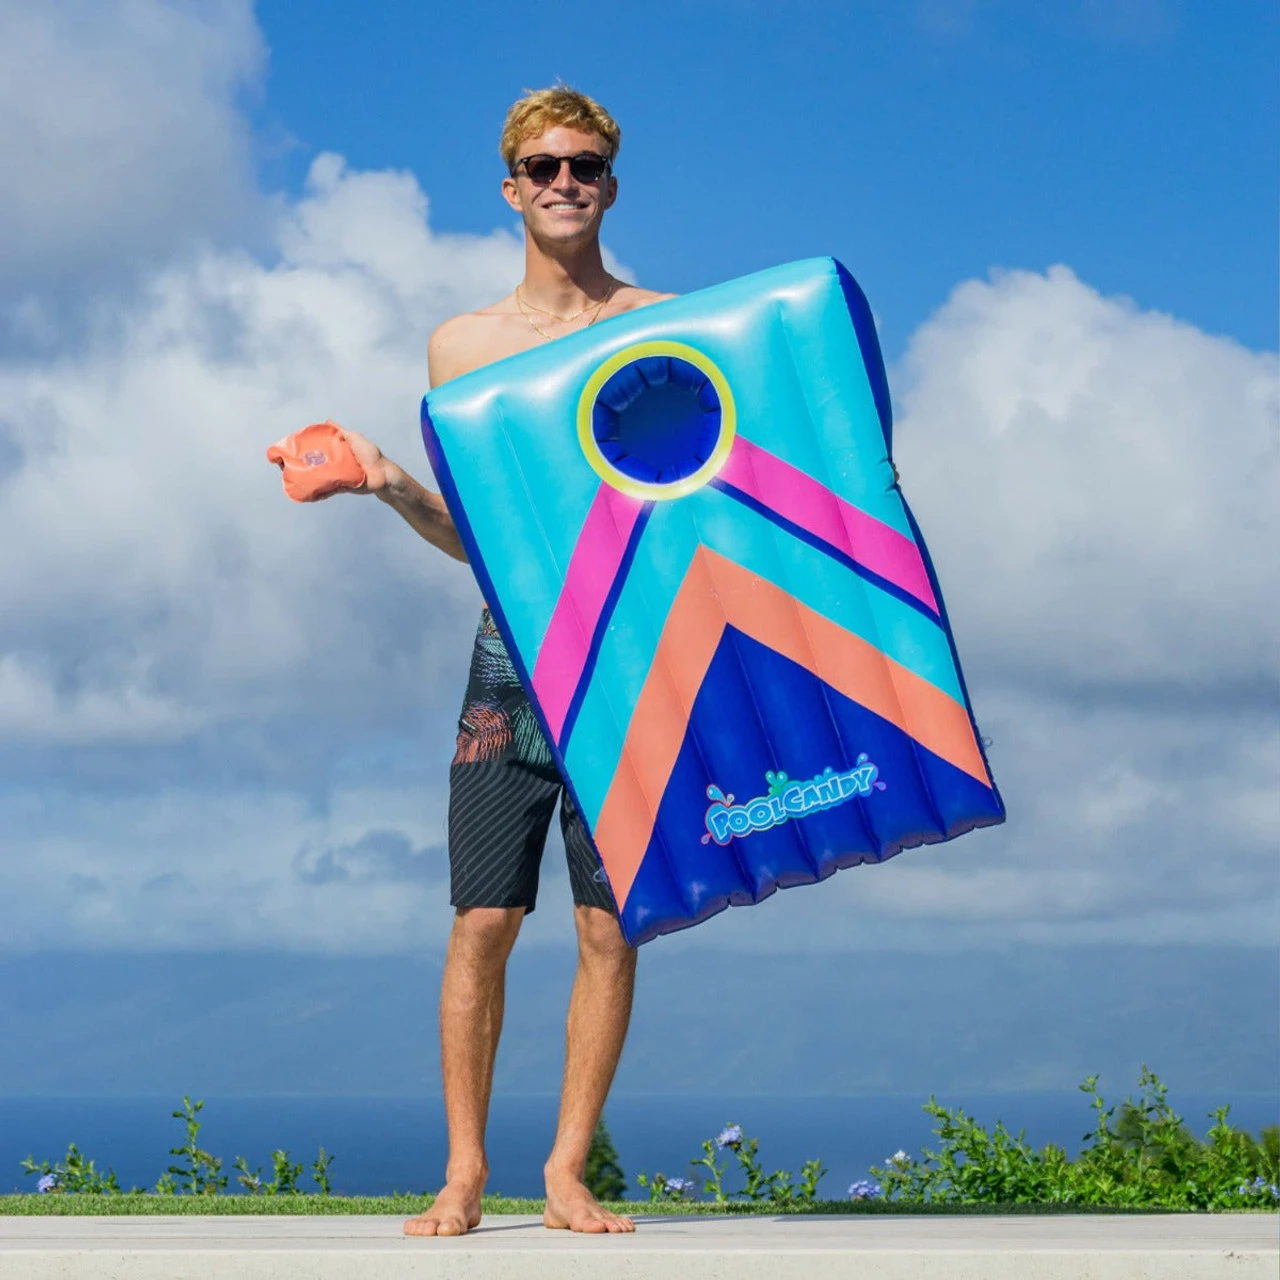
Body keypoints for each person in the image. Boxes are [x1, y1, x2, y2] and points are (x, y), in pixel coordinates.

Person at [332, 86, 674, 1237]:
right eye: (542, 167)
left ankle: (566, 1170)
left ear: (610, 184)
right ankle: (464, 1171)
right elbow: (478, 539)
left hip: (633, 656)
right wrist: (387, 484)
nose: (563, 183)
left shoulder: (665, 322)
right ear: (510, 187)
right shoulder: (462, 345)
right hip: (511, 656)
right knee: (483, 916)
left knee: (606, 922)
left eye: (583, 165)